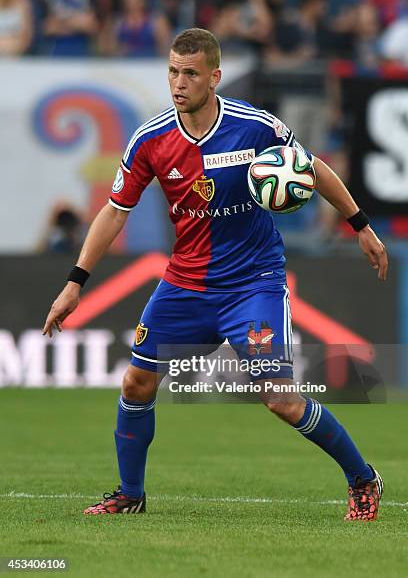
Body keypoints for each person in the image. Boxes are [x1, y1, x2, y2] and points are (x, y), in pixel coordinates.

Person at [42, 28, 388, 521]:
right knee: (136, 384)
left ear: (215, 77)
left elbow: (313, 169)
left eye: (190, 74)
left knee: (281, 401)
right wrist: (76, 281)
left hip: (253, 284)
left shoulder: (255, 127)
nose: (178, 84)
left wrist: (362, 227)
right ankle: (130, 494)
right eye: (172, 72)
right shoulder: (151, 140)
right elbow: (115, 210)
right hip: (185, 284)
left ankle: (362, 477)